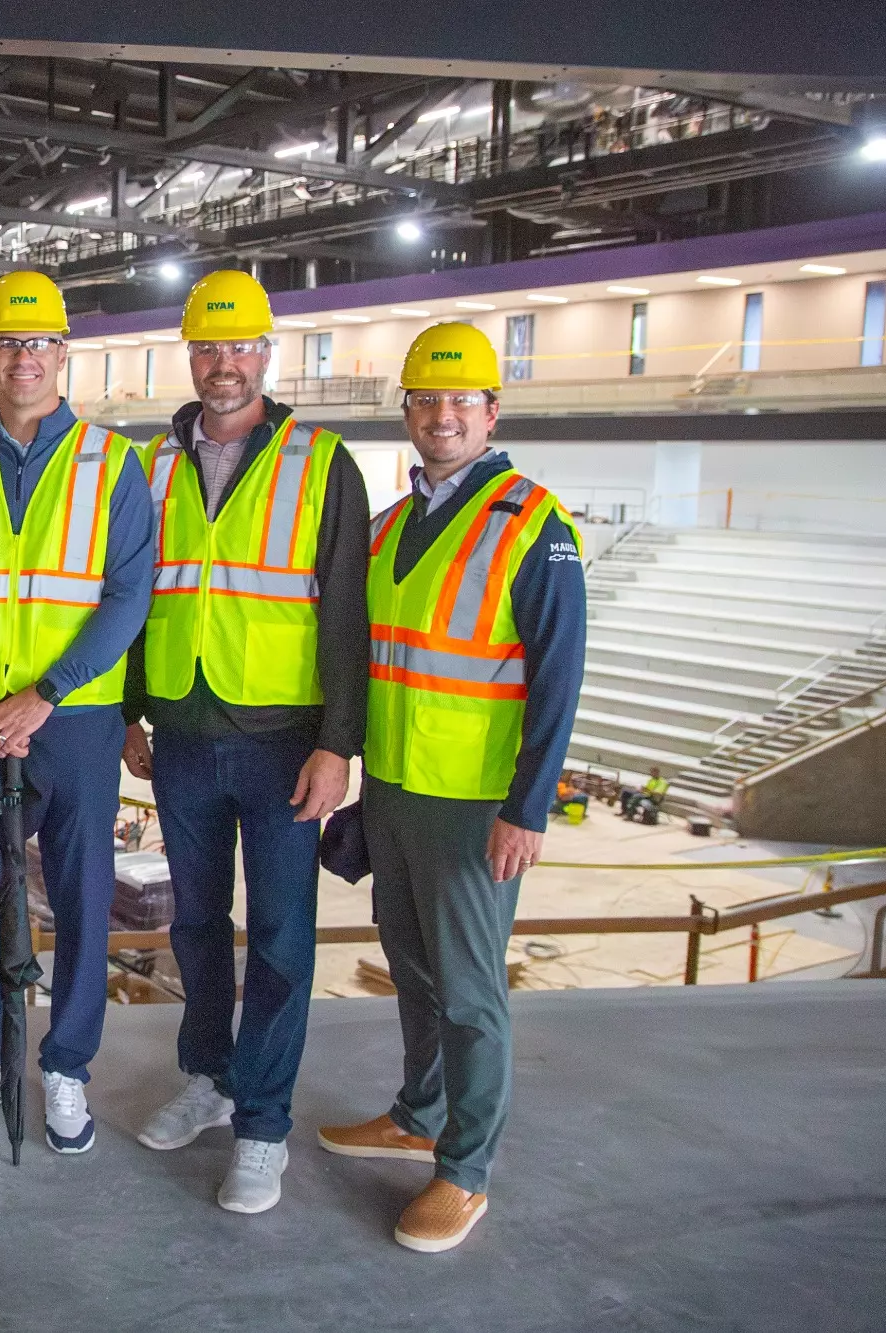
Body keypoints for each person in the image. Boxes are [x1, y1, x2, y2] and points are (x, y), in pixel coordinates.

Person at [319, 323, 586, 1253]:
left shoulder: (532, 524)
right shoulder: (393, 526)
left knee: (471, 994)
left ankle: (465, 1170)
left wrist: (528, 806)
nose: (442, 416)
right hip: (393, 790)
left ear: (491, 413)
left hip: (475, 806)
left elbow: (558, 678)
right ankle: (418, 1112)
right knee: (416, 973)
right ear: (408, 413)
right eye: (426, 400)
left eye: (460, 400)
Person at [122, 271, 369, 1212]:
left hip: (281, 744)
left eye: (241, 348)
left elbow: (347, 615)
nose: (224, 364)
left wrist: (337, 743)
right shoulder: (153, 463)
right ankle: (211, 1079)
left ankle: (263, 1124)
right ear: (191, 355)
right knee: (192, 924)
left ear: (268, 354)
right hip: (181, 732)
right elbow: (137, 596)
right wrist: (129, 711)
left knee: (279, 938)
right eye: (208, 348)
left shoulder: (321, 461)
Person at [0, 271, 155, 1153]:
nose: (23, 358)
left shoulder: (113, 464)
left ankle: (65, 1067)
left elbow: (129, 594)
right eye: (7, 343)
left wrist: (42, 693)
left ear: (64, 354)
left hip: (78, 719)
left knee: (85, 894)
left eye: (39, 344)